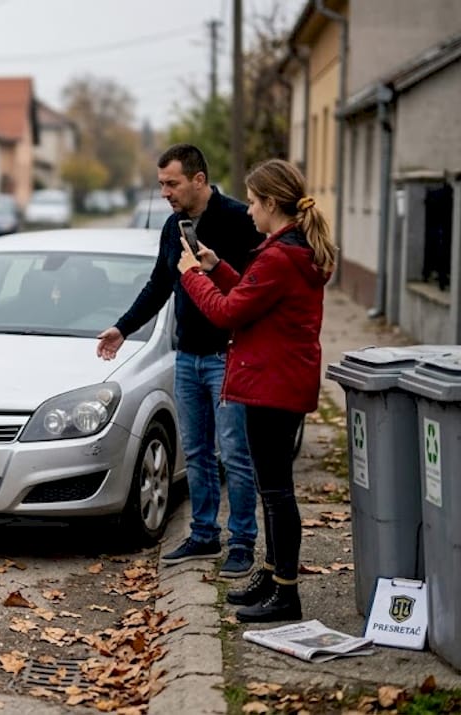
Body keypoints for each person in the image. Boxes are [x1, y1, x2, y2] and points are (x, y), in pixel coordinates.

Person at [176, 158, 334, 622]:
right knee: (273, 490)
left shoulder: (281, 256)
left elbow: (227, 314)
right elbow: (251, 296)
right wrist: (218, 266)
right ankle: (271, 574)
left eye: (252, 202)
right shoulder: (287, 250)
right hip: (278, 380)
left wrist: (192, 275)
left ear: (270, 203)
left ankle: (286, 593)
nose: (247, 212)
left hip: (274, 384)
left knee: (278, 493)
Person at [96, 144, 261, 578]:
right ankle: (204, 534)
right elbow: (158, 286)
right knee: (197, 451)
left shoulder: (241, 220)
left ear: (198, 180)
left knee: (234, 454)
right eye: (161, 184)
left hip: (229, 357)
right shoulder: (173, 228)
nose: (165, 192)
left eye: (172, 183)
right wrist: (122, 328)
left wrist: (218, 267)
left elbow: (255, 289)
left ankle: (242, 541)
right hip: (187, 357)